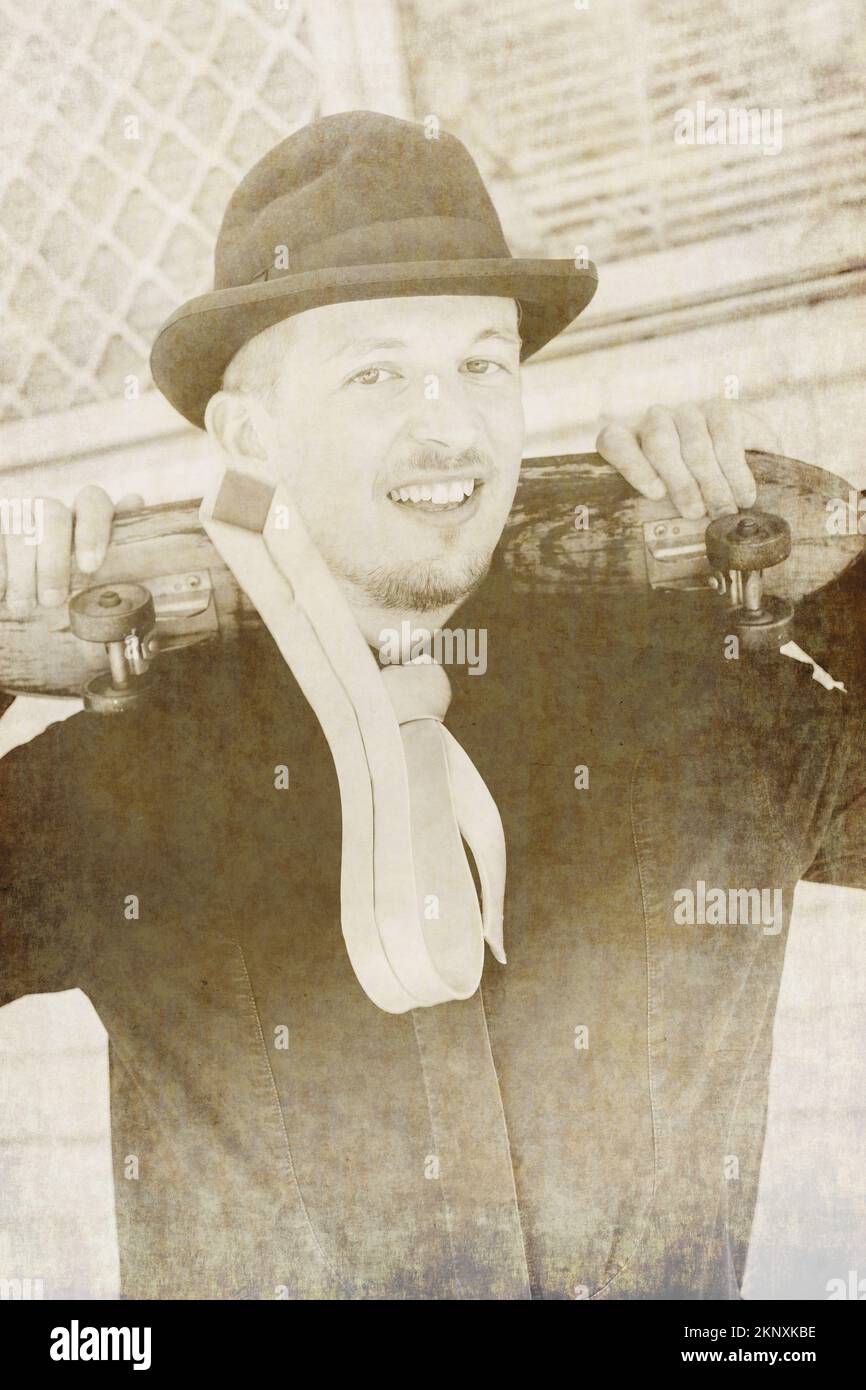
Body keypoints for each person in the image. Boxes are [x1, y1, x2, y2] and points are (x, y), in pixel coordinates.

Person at [2, 112, 864, 1300]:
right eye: (374, 372)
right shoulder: (126, 764)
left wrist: (826, 549)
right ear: (248, 435)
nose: (447, 424)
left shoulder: (701, 698)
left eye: (481, 363)